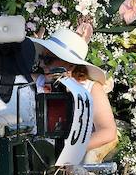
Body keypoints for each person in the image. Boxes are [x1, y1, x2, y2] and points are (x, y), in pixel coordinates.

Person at [31, 27, 117, 161]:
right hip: (33, 154)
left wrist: (69, 150)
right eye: (41, 57)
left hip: (70, 160)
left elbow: (108, 132)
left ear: (70, 64)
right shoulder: (33, 81)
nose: (42, 64)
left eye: (48, 59)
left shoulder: (90, 88)